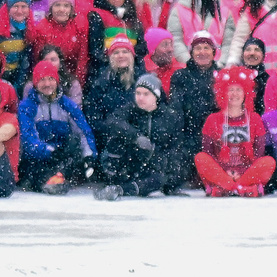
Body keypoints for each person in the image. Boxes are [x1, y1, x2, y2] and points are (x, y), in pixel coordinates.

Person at [93, 75, 193, 200]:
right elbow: (113, 122)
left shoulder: (170, 116)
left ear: (156, 96)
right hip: (127, 163)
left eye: (146, 94)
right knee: (116, 140)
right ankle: (114, 184)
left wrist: (168, 170)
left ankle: (120, 190)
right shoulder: (130, 109)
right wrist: (135, 136)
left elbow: (175, 147)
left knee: (158, 178)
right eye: (138, 93)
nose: (140, 98)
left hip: (152, 167)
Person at [17, 60, 97, 193]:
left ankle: (58, 177)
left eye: (50, 79)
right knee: (36, 167)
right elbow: (28, 138)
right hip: (39, 157)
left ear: (57, 81)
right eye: (42, 80)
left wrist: (89, 156)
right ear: (36, 83)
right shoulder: (27, 106)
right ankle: (52, 179)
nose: (47, 84)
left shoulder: (67, 104)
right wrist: (49, 151)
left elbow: (83, 131)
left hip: (63, 156)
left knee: (73, 144)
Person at [195, 73, 276, 197]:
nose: (234, 94)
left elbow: (258, 153)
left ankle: (227, 188)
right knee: (200, 158)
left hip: (247, 172)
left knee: (269, 161)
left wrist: (242, 172)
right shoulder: (213, 119)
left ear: (246, 94)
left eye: (239, 90)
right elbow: (208, 153)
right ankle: (241, 189)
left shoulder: (255, 118)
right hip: (221, 172)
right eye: (230, 90)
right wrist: (226, 172)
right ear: (223, 93)